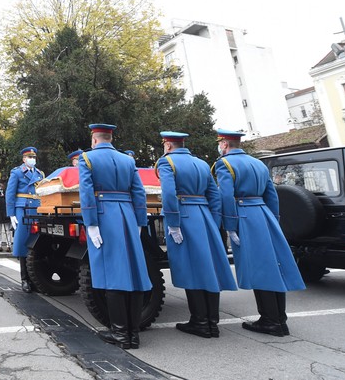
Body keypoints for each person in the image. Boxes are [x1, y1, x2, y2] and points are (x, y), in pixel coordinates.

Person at [214, 128, 305, 337]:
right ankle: (279, 319)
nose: (220, 147)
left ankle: (270, 321)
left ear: (225, 144)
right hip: (264, 215)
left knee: (260, 269)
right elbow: (271, 194)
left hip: (245, 217)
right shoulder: (258, 163)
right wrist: (273, 220)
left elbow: (226, 197)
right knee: (272, 267)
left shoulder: (224, 164)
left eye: (220, 143)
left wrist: (230, 226)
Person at [156, 131, 237, 338]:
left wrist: (173, 223)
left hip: (184, 217)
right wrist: (214, 221)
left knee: (192, 269)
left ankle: (200, 321)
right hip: (205, 217)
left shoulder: (167, 163)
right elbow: (215, 196)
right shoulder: (202, 164)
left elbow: (168, 194)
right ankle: (212, 322)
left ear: (167, 145)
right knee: (209, 268)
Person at [78, 124, 151, 349]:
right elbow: (139, 192)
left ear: (94, 139)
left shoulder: (87, 159)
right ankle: (133, 334)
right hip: (127, 216)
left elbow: (86, 192)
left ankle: (120, 334)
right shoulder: (128, 161)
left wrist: (90, 223)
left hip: (104, 217)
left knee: (113, 275)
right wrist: (140, 221)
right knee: (134, 274)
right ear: (110, 138)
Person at [5, 146, 45, 293]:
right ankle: (25, 279)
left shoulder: (40, 174)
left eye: (34, 157)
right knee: (23, 243)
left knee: (36, 244)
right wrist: (11, 213)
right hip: (23, 209)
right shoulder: (17, 172)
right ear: (24, 159)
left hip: (36, 209)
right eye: (30, 157)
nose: (32, 160)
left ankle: (35, 279)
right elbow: (10, 193)